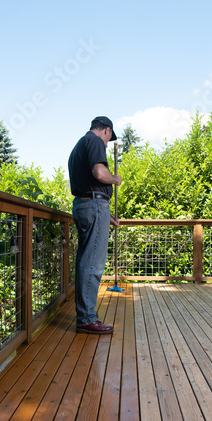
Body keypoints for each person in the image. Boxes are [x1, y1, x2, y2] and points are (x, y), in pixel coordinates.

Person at [68, 116, 122, 334]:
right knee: (93, 264)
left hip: (85, 206)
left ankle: (84, 316)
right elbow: (99, 173)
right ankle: (87, 319)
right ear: (106, 131)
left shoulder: (79, 145)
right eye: (109, 140)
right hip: (94, 206)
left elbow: (87, 186)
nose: (107, 144)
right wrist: (115, 178)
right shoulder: (95, 141)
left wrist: (105, 215)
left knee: (85, 261)